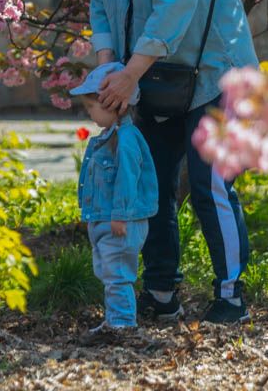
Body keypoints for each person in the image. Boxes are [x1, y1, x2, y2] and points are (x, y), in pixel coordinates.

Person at [87, 0, 259, 325]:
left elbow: (173, 12)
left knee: (210, 187)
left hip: (216, 79)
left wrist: (129, 73)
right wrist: (109, 67)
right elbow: (103, 3)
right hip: (154, 78)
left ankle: (230, 295)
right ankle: (163, 294)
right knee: (151, 187)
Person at [72, 61, 159, 346]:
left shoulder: (126, 139)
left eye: (92, 108)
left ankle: (123, 324)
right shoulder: (109, 137)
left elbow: (127, 178)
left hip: (120, 221)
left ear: (116, 105)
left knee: (119, 272)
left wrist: (120, 215)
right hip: (105, 218)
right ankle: (115, 318)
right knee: (109, 272)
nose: (90, 114)